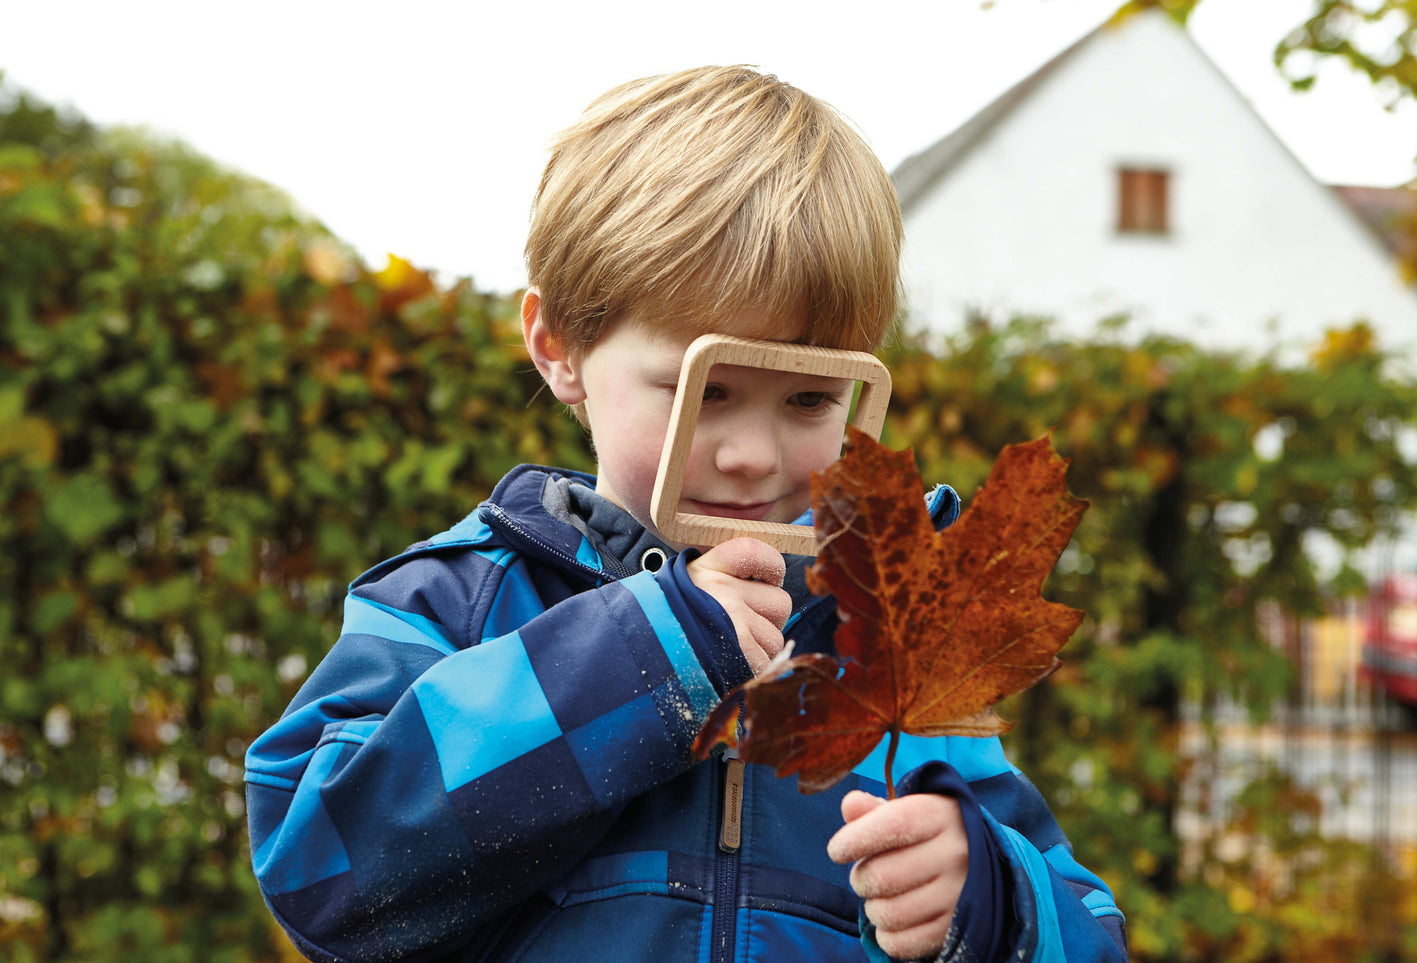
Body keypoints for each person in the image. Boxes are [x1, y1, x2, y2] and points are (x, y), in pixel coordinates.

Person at [245, 66, 1127, 963]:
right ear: (559, 349)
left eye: (811, 400)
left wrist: (988, 899)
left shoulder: (895, 647)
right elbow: (322, 873)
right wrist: (647, 654)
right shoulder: (460, 602)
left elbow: (1090, 937)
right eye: (705, 389)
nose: (752, 453)